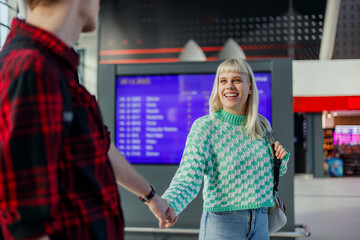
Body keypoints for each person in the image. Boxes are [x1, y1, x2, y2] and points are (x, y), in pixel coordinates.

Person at [0, 0, 172, 239]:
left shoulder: (55, 67)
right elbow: (25, 222)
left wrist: (150, 196)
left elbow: (99, 145)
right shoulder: (34, 69)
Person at [162, 59, 290, 240]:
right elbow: (188, 177)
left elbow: (270, 173)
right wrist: (170, 204)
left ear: (250, 87)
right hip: (223, 224)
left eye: (236, 80)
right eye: (223, 81)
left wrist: (280, 161)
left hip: (261, 221)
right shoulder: (205, 127)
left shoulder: (261, 126)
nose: (229, 86)